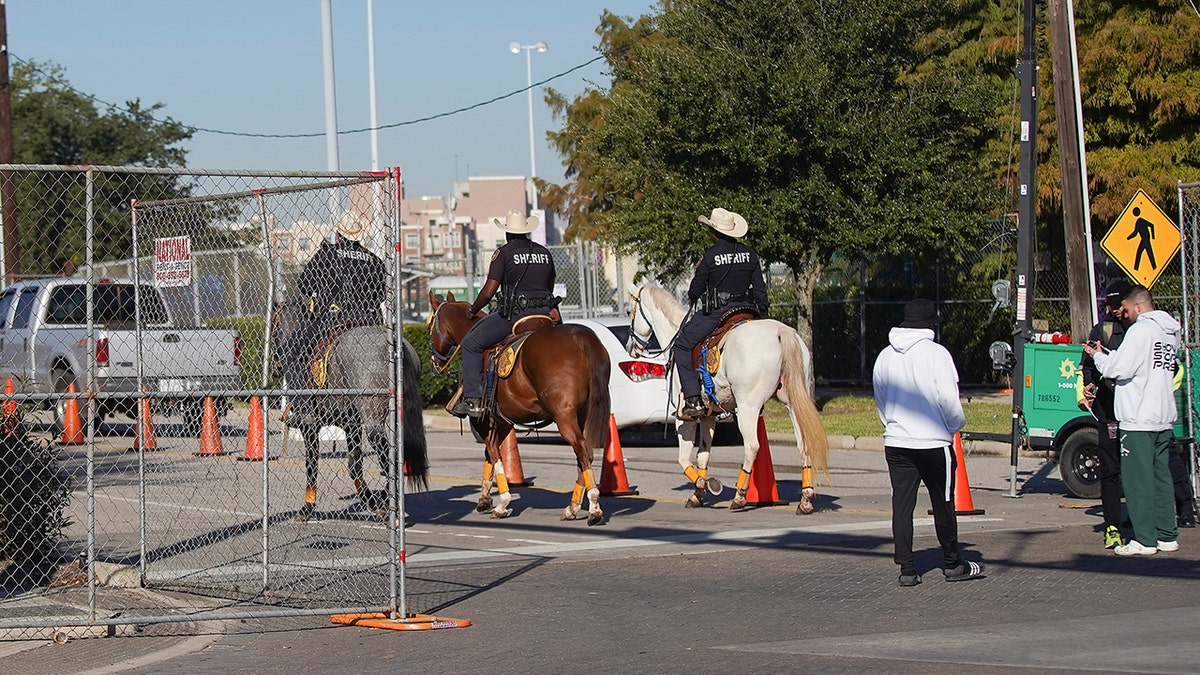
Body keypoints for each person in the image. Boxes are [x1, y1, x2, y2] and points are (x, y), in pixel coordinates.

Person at [873, 298, 985, 587]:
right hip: (934, 442)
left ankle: (907, 569)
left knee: (902, 504)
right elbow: (948, 398)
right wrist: (954, 425)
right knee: (944, 502)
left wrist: (893, 426)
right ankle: (952, 563)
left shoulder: (885, 355)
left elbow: (880, 400)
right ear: (930, 325)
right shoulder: (938, 354)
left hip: (897, 441)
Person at [1084, 285, 1180, 556]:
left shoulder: (1141, 330)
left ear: (1138, 306)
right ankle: (1166, 535)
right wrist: (1109, 353)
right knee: (1161, 476)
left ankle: (1145, 540)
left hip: (1138, 417)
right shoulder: (1167, 331)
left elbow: (1120, 369)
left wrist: (1098, 356)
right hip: (1161, 415)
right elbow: (1142, 365)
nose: (1122, 315)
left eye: (1125, 309)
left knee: (1138, 479)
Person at [282, 211, 386, 427]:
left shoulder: (327, 254)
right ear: (359, 235)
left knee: (291, 350)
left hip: (333, 319)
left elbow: (304, 285)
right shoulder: (375, 261)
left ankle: (303, 409)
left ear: (339, 233)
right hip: (368, 321)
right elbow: (381, 295)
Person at [451, 209, 557, 418]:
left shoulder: (504, 253)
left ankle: (474, 400)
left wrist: (473, 310)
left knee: (471, 344)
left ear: (507, 233)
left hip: (516, 317)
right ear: (526, 231)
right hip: (545, 315)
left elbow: (490, 291)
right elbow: (550, 286)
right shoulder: (544, 252)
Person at [672, 208, 769, 421]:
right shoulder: (750, 254)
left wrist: (693, 294)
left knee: (681, 345)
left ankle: (693, 399)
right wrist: (763, 313)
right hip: (747, 310)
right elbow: (760, 289)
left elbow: (696, 288)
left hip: (719, 312)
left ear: (714, 232)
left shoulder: (711, 256)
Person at [1078, 278, 1133, 549]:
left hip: (1136, 412)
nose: (1113, 310)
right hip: (1108, 411)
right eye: (1108, 305)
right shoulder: (1103, 329)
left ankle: (1139, 520)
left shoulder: (1139, 330)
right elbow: (1088, 363)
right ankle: (1112, 526)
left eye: (1117, 305)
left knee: (1136, 469)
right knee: (1110, 470)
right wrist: (1088, 384)